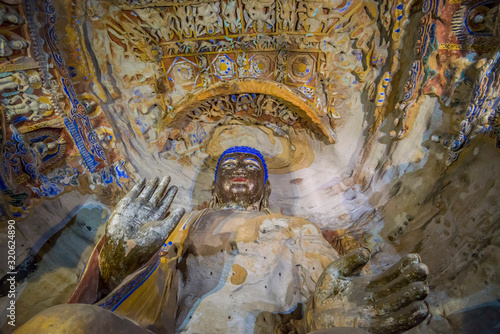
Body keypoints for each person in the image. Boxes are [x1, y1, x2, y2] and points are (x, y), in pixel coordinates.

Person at [16, 146, 429, 334]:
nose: (240, 169)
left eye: (252, 165)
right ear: (214, 183)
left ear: (265, 187)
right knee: (62, 325)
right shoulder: (184, 221)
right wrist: (118, 259)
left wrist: (337, 312)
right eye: (229, 163)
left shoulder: (296, 227)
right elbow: (142, 291)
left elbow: (329, 288)